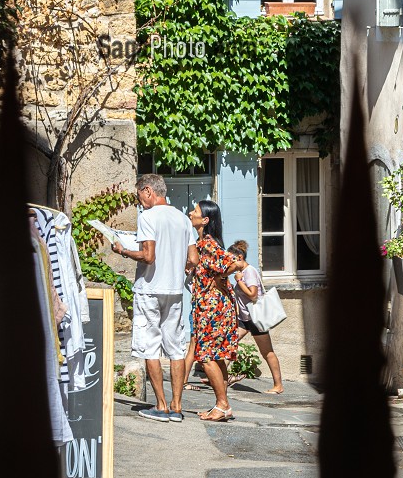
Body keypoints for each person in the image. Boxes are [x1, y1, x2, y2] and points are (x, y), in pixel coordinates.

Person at [112, 173, 197, 422]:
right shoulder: (183, 219)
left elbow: (148, 256)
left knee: (150, 346)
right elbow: (193, 259)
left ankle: (161, 406)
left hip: (150, 289)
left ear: (148, 191)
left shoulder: (147, 217)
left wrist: (123, 250)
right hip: (174, 290)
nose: (140, 202)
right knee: (175, 348)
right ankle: (177, 406)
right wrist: (177, 265)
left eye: (140, 196)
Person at [187, 200, 247, 422]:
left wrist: (220, 277)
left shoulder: (208, 244)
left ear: (205, 220)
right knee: (217, 357)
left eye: (195, 211)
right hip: (213, 306)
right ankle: (223, 406)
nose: (190, 213)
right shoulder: (202, 244)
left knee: (205, 357)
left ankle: (222, 404)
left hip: (213, 308)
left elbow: (236, 263)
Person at [228, 240, 284, 393]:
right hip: (245, 319)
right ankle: (220, 378)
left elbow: (253, 295)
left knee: (266, 352)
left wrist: (239, 281)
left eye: (231, 259)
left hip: (256, 318)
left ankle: (278, 385)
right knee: (229, 344)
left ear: (239, 257)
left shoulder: (249, 272)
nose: (229, 263)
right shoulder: (241, 272)